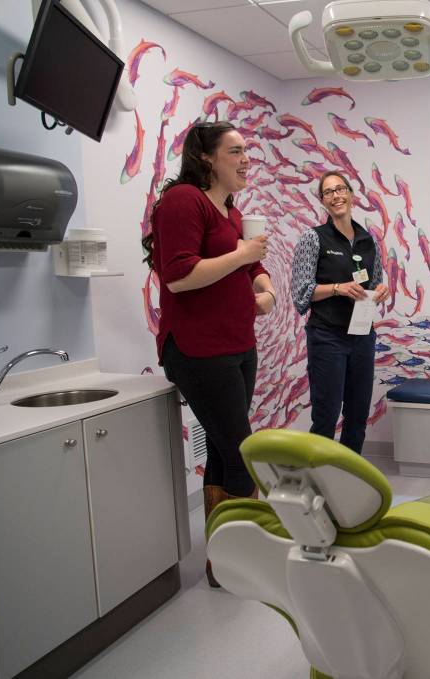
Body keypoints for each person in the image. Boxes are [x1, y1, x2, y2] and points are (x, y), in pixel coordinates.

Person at [141, 121, 276, 587]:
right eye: (235, 151)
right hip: (198, 350)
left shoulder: (231, 211)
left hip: (237, 343)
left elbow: (251, 264)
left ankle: (222, 563)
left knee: (222, 452)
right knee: (242, 455)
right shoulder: (184, 200)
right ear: (206, 157)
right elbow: (179, 277)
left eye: (246, 150)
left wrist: (265, 287)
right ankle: (240, 560)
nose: (245, 159)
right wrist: (243, 256)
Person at [290, 171, 388, 454]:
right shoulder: (313, 238)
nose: (336, 196)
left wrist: (381, 290)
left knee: (357, 415)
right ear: (322, 201)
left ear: (351, 194)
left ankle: (348, 475)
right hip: (327, 338)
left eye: (340, 189)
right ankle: (319, 476)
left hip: (362, 336)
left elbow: (373, 284)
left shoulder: (368, 240)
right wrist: (337, 288)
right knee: (326, 416)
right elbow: (301, 292)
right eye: (328, 192)